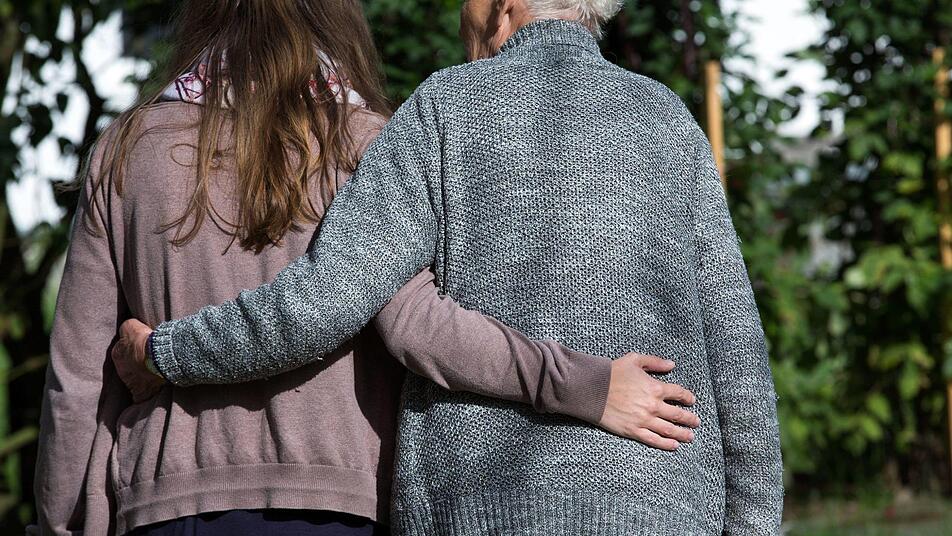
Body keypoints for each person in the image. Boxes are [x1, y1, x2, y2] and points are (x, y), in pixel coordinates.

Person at [112, 0, 785, 534]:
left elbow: (325, 300)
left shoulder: (443, 107)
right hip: (665, 504)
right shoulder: (669, 121)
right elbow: (738, 354)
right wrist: (753, 523)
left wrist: (168, 352)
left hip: (483, 508)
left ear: (504, 5)